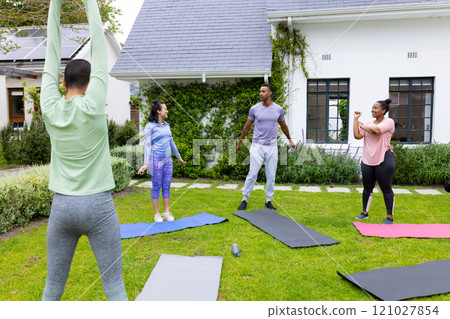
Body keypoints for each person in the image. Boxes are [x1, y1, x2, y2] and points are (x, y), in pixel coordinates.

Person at [40, 0, 127, 300]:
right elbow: (98, 40)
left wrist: (56, 3)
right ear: (91, 84)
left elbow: (53, 48)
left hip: (62, 208)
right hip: (98, 207)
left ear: (62, 82)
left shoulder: (50, 107)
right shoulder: (93, 104)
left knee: (53, 288)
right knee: (114, 286)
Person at [236, 83, 295, 211]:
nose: (261, 94)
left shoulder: (278, 109)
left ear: (270, 93)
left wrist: (290, 140)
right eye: (260, 91)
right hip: (257, 146)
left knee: (271, 175)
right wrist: (240, 141)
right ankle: (244, 199)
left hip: (272, 146)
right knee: (252, 173)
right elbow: (247, 126)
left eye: (263, 91)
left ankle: (268, 201)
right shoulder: (254, 109)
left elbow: (284, 126)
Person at [138, 100, 185, 222]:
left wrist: (178, 157)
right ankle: (157, 214)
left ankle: (167, 212)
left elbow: (171, 142)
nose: (167, 110)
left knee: (166, 186)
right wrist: (146, 163)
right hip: (156, 160)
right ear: (158, 111)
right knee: (156, 186)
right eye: (165, 109)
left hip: (168, 160)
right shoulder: (150, 127)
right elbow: (147, 145)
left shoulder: (167, 125)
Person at [353, 99, 396, 224]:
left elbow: (376, 131)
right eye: (372, 107)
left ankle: (389, 217)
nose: (373, 110)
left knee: (386, 188)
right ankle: (364, 213)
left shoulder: (389, 122)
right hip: (368, 159)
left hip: (384, 158)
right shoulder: (368, 123)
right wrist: (356, 120)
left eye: (376, 108)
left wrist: (362, 125)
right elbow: (357, 136)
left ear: (383, 110)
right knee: (367, 188)